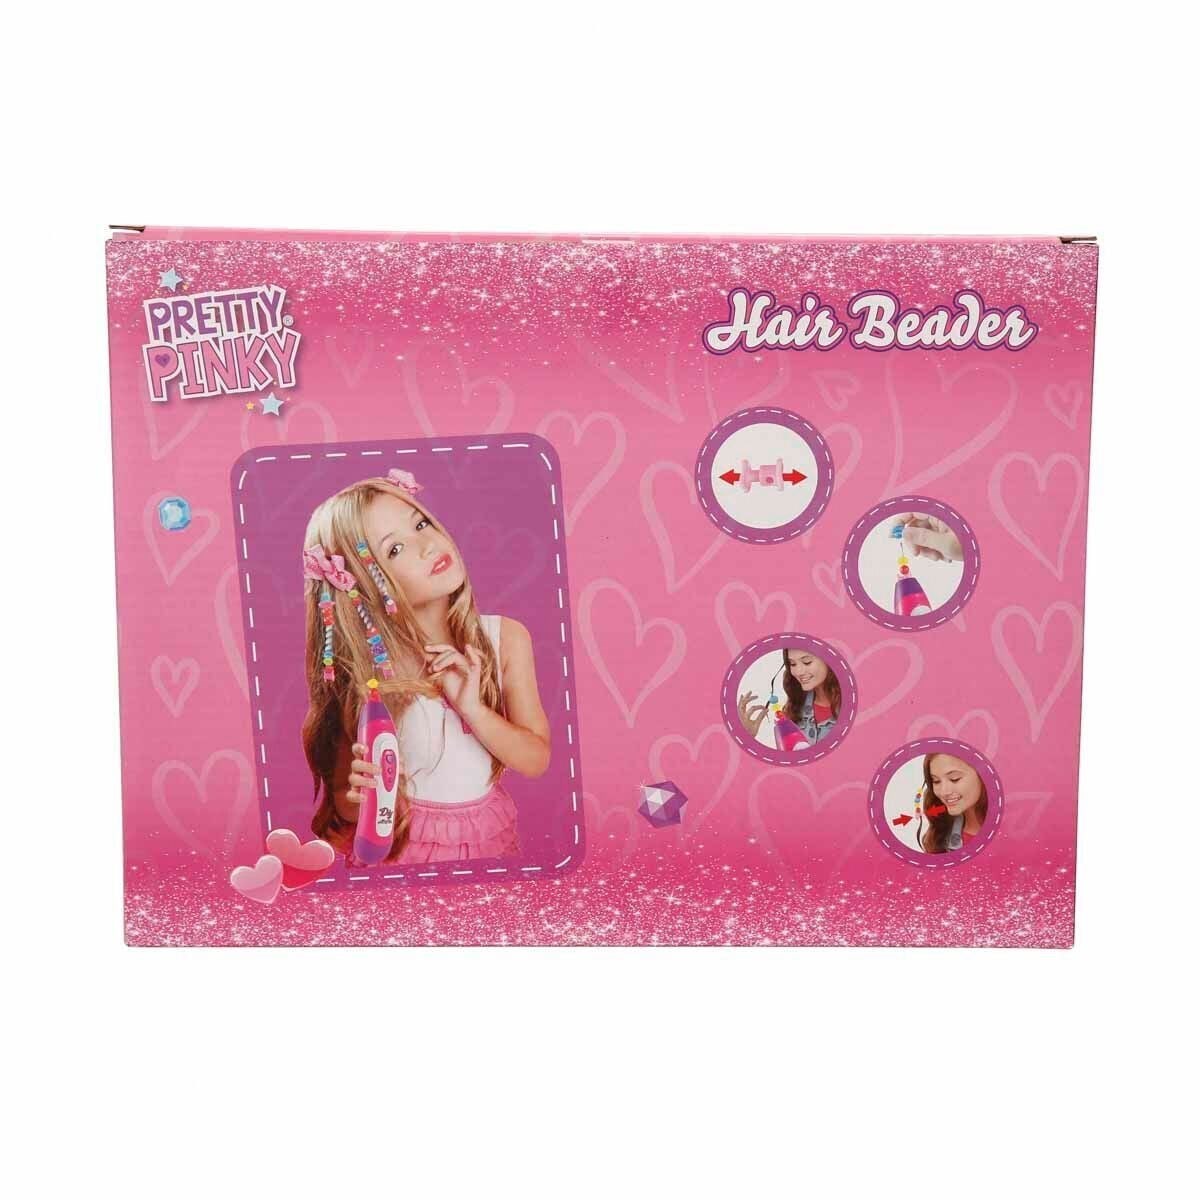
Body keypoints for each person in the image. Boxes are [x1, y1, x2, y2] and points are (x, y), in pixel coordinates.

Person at [300, 469, 550, 864]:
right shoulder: (368, 672)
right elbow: (345, 804)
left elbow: (535, 760)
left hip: (488, 839)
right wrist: (357, 796)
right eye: (395, 549)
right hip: (402, 851)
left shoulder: (505, 639)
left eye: (420, 524)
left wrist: (473, 710)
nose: (426, 545)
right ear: (363, 586)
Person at [737, 648, 841, 746]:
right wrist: (747, 737)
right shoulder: (795, 708)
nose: (798, 672)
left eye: (807, 662)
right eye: (792, 664)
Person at [921, 753, 987, 853]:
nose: (944, 792)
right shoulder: (942, 836)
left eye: (954, 779)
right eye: (936, 781)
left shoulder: (1008, 831)